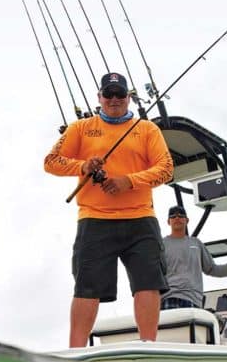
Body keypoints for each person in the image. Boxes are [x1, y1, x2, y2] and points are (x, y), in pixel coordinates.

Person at [44, 71, 174, 347]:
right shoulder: (79, 128)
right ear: (99, 97)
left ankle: (148, 345)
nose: (114, 100)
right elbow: (51, 162)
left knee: (148, 282)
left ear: (128, 97)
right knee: (86, 286)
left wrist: (128, 181)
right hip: (94, 219)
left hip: (141, 218)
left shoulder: (148, 129)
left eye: (120, 95)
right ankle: (77, 352)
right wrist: (82, 166)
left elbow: (166, 169)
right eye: (109, 94)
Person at [162, 204, 227, 310]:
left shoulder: (196, 244)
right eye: (173, 216)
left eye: (180, 215)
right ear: (168, 221)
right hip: (169, 298)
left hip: (194, 300)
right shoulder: (161, 244)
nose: (177, 218)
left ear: (187, 220)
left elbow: (212, 269)